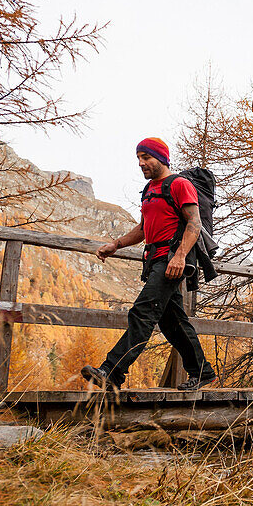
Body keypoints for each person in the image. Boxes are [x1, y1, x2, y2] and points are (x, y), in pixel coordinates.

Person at [80, 137, 217, 392]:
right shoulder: (149, 190)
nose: (141, 163)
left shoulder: (180, 185)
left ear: (162, 159)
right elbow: (143, 229)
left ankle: (112, 372)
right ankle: (203, 372)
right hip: (154, 261)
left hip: (171, 261)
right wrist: (116, 244)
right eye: (139, 159)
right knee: (171, 321)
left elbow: (194, 223)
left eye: (146, 158)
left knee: (142, 312)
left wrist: (179, 257)